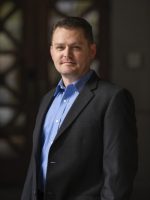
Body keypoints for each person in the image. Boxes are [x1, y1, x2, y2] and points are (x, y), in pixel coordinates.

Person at [21, 16, 138, 200]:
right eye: (60, 47)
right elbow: (36, 166)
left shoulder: (113, 99)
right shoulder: (46, 100)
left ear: (92, 50)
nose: (66, 54)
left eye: (75, 47)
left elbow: (118, 173)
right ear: (51, 51)